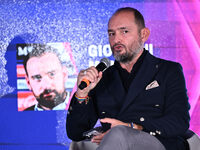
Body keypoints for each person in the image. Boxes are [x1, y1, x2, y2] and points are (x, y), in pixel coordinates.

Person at [66, 7, 190, 150]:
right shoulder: (102, 78)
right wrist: (82, 95)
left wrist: (133, 127)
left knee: (118, 133)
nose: (116, 39)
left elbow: (179, 122)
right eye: (111, 34)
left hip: (159, 143)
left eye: (124, 31)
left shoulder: (168, 70)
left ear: (144, 34)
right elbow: (75, 133)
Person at [23, 44, 69, 111]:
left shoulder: (85, 109)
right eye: (37, 77)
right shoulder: (20, 118)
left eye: (52, 74)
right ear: (28, 83)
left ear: (64, 75)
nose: (46, 86)